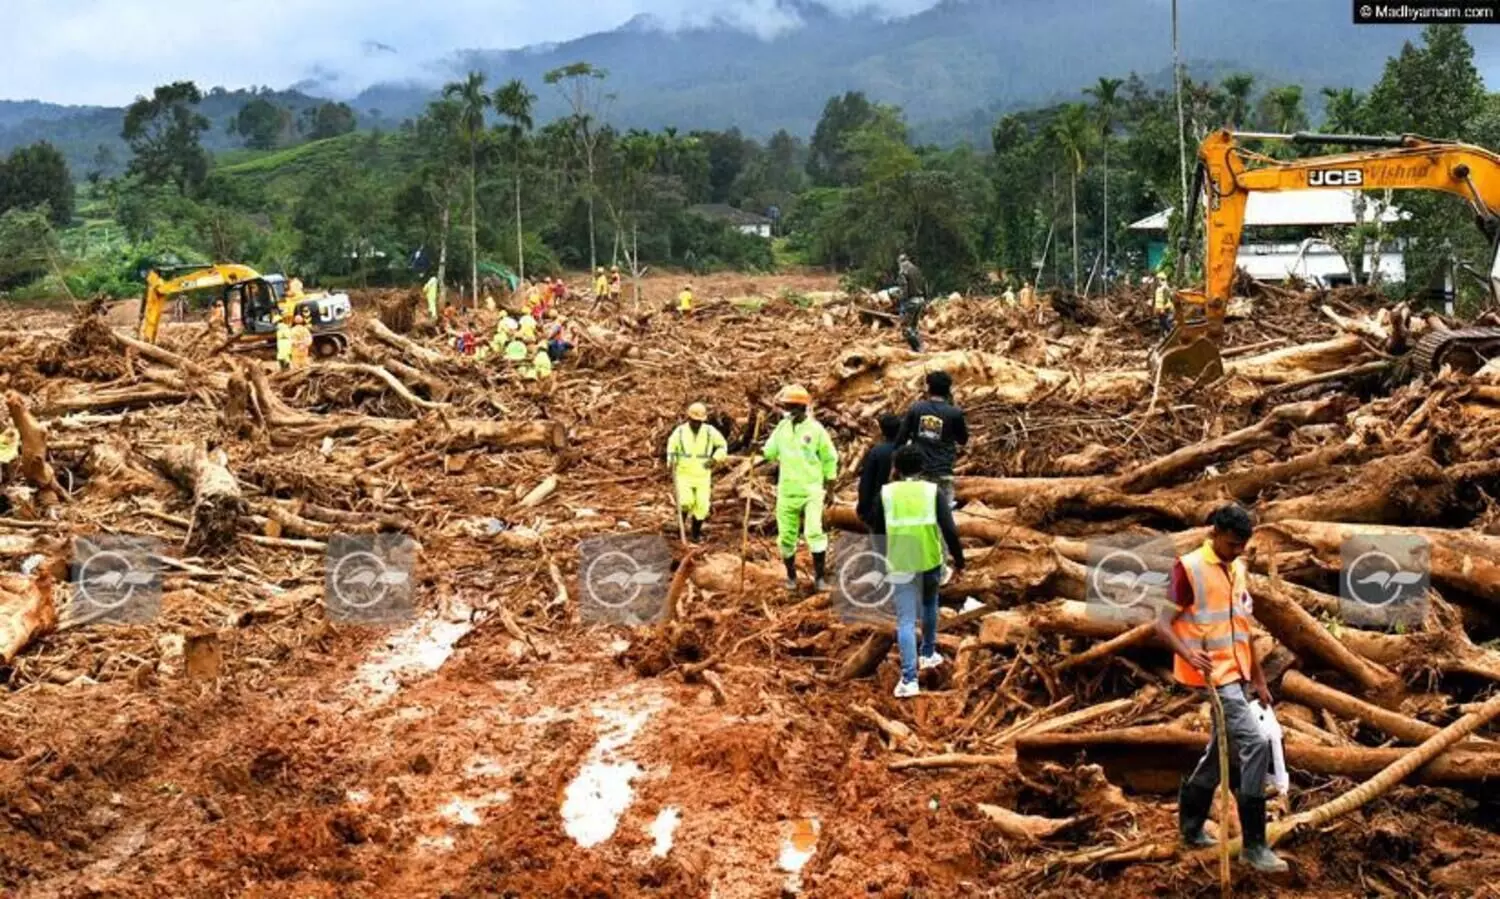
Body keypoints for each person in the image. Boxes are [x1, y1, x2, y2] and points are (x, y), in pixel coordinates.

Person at [1156, 504, 1288, 874]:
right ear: (1214, 532)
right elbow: (1160, 623)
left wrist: (1259, 678)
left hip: (1239, 672)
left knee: (1222, 752)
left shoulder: (1238, 568)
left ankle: (1191, 828)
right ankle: (1254, 846)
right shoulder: (1189, 568)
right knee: (1254, 744)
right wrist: (1188, 654)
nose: (1236, 552)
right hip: (1211, 675)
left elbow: (1242, 628)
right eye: (1231, 545)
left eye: (1242, 547)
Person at [884, 445, 965, 698]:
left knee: (905, 621)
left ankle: (909, 679)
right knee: (930, 605)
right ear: (922, 467)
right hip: (930, 560)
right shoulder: (933, 492)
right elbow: (950, 530)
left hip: (900, 561)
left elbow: (875, 525)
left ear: (896, 468)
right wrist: (959, 559)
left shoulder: (887, 493)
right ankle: (928, 653)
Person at [761, 384, 838, 592]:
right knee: (786, 536)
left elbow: (830, 458)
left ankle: (820, 578)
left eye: (790, 407)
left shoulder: (816, 430)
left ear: (801, 408)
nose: (787, 411)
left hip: (811, 489)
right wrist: (759, 449)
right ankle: (791, 577)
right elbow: (769, 451)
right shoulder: (782, 428)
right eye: (785, 407)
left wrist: (830, 489)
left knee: (813, 532)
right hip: (787, 490)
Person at [896, 371, 968, 513]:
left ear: (928, 388)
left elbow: (901, 438)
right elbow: (963, 440)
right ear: (948, 390)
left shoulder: (916, 408)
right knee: (944, 513)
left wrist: (898, 463)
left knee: (916, 510)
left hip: (917, 470)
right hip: (943, 470)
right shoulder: (954, 413)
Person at [666, 402, 728, 543]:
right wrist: (672, 460)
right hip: (684, 473)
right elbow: (672, 447)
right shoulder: (680, 432)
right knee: (686, 501)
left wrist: (715, 459)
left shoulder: (709, 431)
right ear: (689, 419)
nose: (696, 424)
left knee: (702, 506)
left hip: (702, 474)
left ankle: (695, 534)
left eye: (699, 422)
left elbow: (722, 446)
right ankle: (680, 529)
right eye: (694, 421)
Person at [855, 414, 904, 535]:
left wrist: (863, 509)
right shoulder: (909, 451)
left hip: (880, 509)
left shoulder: (876, 452)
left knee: (881, 548)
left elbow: (866, 483)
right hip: (905, 508)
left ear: (882, 431)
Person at [897, 253, 927, 351]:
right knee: (914, 327)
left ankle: (919, 348)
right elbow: (924, 284)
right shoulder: (917, 270)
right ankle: (919, 348)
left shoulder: (903, 271)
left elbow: (904, 288)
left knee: (906, 328)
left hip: (911, 301)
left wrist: (901, 299)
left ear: (900, 262)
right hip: (921, 300)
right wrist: (925, 299)